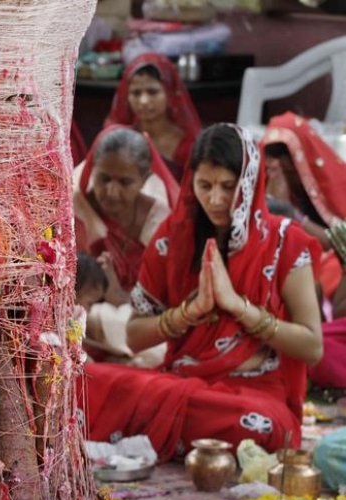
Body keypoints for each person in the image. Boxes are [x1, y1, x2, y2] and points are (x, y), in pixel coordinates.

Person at [82, 124, 322, 461]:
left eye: (228, 186)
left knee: (261, 426)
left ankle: (153, 432)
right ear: (191, 182)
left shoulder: (286, 241)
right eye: (205, 185)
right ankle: (168, 432)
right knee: (85, 381)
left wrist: (239, 307)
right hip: (179, 383)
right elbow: (134, 337)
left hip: (253, 395)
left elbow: (312, 346)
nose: (215, 199)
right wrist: (187, 313)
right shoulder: (172, 240)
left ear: (251, 183)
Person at [74, 126, 179, 365]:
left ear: (144, 179)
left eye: (125, 182)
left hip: (143, 317)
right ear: (92, 171)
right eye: (103, 179)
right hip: (88, 313)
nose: (111, 192)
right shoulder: (77, 208)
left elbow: (166, 299)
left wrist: (118, 295)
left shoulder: (159, 219)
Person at [262, 111, 346, 300]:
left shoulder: (334, 181)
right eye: (270, 167)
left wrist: (291, 213)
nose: (276, 173)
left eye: (284, 167)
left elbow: (340, 242)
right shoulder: (274, 186)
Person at [104, 53, 201, 182]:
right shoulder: (121, 139)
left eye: (152, 92)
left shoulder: (188, 146)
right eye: (136, 93)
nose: (143, 101)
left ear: (170, 93)